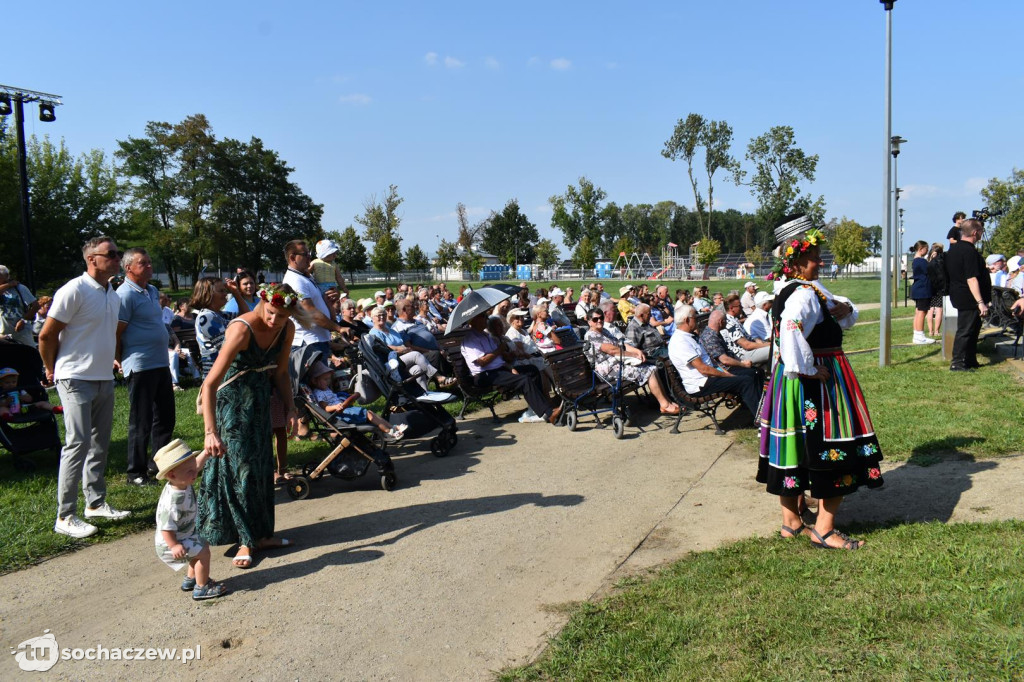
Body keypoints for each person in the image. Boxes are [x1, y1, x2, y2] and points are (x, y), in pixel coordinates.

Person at [756, 218, 881, 550]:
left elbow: (834, 312)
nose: (820, 261)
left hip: (791, 380)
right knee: (831, 449)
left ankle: (792, 522)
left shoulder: (796, 289)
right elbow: (791, 329)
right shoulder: (803, 295)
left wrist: (843, 309)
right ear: (797, 263)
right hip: (817, 378)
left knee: (795, 447)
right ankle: (824, 529)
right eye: (815, 257)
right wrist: (809, 368)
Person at [198, 283, 302, 569]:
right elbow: (209, 384)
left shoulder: (286, 328)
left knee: (261, 467)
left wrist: (291, 408)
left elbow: (280, 372)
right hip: (232, 404)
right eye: (270, 313)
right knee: (241, 469)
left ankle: (263, 534)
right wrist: (211, 432)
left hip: (259, 401)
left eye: (281, 316)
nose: (274, 320)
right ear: (261, 302)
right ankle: (246, 539)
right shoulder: (242, 329)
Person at [38, 236, 131, 539]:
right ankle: (65, 515)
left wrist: (113, 361)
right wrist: (52, 369)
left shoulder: (112, 294)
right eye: (112, 254)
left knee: (99, 443)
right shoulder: (73, 290)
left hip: (103, 377)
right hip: (75, 377)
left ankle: (96, 502)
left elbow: (109, 335)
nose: (118, 259)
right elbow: (47, 335)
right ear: (92, 259)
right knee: (77, 443)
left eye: (118, 254)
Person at [116, 247, 177, 485]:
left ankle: (157, 463)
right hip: (140, 365)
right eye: (144, 263)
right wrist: (119, 359)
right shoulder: (124, 295)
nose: (150, 266)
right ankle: (136, 472)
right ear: (129, 267)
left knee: (165, 417)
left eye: (150, 262)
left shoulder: (151, 291)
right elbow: (116, 332)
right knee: (141, 420)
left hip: (160, 363)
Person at [153, 439, 227, 601]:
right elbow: (165, 527)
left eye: (194, 469)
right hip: (169, 543)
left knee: (201, 543)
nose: (195, 474)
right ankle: (202, 587)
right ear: (172, 474)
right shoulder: (172, 501)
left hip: (183, 536)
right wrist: (174, 545)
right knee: (203, 553)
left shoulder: (181, 480)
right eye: (190, 472)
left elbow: (197, 465)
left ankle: (191, 579)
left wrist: (206, 454)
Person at [460, 313, 561, 424]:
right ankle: (549, 413)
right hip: (485, 375)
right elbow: (482, 362)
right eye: (483, 316)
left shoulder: (485, 335)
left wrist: (510, 368)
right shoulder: (470, 339)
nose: (486, 319)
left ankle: (537, 407)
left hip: (499, 370)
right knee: (523, 379)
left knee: (532, 370)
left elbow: (498, 359)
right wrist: (500, 349)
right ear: (473, 320)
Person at [668, 305, 762, 418]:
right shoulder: (680, 341)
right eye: (695, 317)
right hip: (701, 384)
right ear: (687, 320)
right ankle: (761, 420)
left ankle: (758, 409)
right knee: (746, 381)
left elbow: (711, 362)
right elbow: (703, 369)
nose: (697, 319)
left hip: (709, 378)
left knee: (753, 373)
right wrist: (727, 375)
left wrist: (725, 372)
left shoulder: (689, 337)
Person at [582, 309, 679, 415]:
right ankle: (664, 404)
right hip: (608, 370)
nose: (599, 321)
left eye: (601, 318)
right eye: (595, 319)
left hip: (618, 365)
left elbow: (621, 344)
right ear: (589, 322)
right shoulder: (591, 335)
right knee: (649, 371)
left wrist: (637, 351)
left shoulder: (604, 331)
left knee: (654, 368)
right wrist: (633, 355)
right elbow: (612, 350)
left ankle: (666, 401)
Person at [307, 361, 406, 441]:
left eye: (329, 379)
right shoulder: (318, 393)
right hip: (339, 414)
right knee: (369, 414)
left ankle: (393, 427)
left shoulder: (326, 389)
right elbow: (325, 407)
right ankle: (389, 432)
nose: (328, 382)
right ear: (315, 381)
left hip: (344, 409)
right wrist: (336, 407)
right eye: (325, 379)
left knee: (370, 413)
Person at [369, 307, 454, 390]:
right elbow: (384, 347)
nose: (382, 317)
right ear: (372, 318)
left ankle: (424, 397)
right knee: (416, 355)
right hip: (391, 362)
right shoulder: (374, 333)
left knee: (418, 369)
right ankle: (438, 377)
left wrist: (405, 349)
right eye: (378, 315)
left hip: (403, 359)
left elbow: (403, 343)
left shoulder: (391, 331)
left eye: (383, 314)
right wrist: (401, 349)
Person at [944, 218, 991, 371]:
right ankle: (957, 362)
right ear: (975, 232)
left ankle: (970, 359)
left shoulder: (953, 250)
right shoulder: (969, 251)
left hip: (958, 293)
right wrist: (980, 302)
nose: (981, 236)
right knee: (965, 329)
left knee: (973, 328)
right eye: (981, 233)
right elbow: (971, 278)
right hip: (968, 296)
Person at [190, 277, 231, 378]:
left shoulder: (220, 315)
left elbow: (246, 316)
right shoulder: (207, 317)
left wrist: (237, 293)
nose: (225, 294)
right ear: (208, 294)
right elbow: (227, 345)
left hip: (224, 370)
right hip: (218, 374)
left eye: (225, 290)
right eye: (221, 291)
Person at [722, 295, 771, 366]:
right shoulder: (729, 323)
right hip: (742, 356)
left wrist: (763, 343)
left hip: (748, 351)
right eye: (739, 306)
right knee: (775, 350)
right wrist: (768, 344)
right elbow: (746, 345)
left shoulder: (734, 320)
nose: (742, 308)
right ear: (731, 308)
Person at [0, 265, 39, 346]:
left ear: (6, 276)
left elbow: (35, 306)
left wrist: (23, 320)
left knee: (31, 354)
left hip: (21, 332)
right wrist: (8, 285)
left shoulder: (20, 288)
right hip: (2, 332)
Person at [909, 241, 936, 344]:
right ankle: (920, 335)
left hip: (918, 289)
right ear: (921, 249)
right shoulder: (921, 261)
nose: (927, 251)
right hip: (923, 289)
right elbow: (930, 271)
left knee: (918, 312)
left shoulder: (915, 260)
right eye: (926, 248)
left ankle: (917, 335)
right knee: (922, 312)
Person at [926, 243, 947, 338]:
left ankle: (930, 331)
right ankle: (937, 330)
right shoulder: (941, 261)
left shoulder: (928, 262)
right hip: (940, 287)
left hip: (930, 287)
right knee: (939, 309)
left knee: (930, 309)